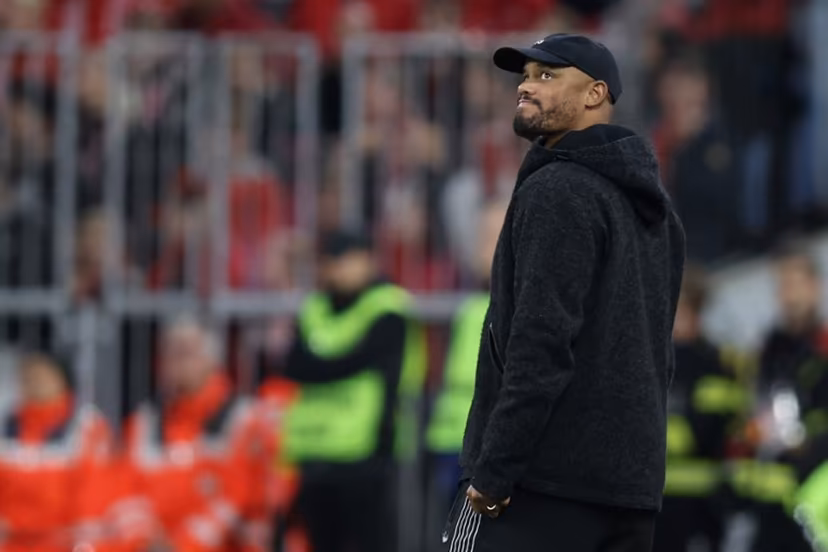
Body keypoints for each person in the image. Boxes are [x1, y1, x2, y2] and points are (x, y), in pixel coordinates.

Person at [445, 33, 686, 551]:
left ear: (596, 94)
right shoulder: (659, 212)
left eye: (548, 77)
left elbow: (540, 349)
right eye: (526, 76)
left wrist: (492, 475)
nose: (526, 87)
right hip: (629, 490)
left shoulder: (558, 190)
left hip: (538, 488)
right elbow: (656, 357)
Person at [282, 230, 426, 552]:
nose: (343, 269)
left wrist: (323, 361)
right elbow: (293, 365)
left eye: (351, 259)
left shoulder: (388, 306)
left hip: (368, 449)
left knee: (372, 541)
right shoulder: (313, 307)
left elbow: (371, 362)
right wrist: (342, 361)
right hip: (315, 448)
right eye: (335, 261)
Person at [121, 315, 273, 552]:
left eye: (187, 353)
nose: (177, 362)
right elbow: (127, 495)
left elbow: (236, 496)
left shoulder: (243, 419)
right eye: (170, 353)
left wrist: (183, 546)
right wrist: (146, 542)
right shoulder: (143, 424)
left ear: (212, 361)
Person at [426, 200, 507, 537]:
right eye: (480, 235)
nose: (482, 246)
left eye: (492, 235)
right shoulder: (471, 305)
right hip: (452, 444)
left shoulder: (516, 307)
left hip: (490, 453)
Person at [653, 265, 746, 552]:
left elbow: (705, 433)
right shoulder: (652, 358)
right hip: (654, 503)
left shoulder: (714, 363)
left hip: (700, 504)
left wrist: (644, 434)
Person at [0, 349, 117, 552]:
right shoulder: (5, 425)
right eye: (28, 376)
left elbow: (93, 492)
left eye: (42, 375)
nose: (34, 383)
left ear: (62, 379)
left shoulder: (87, 425)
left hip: (65, 542)